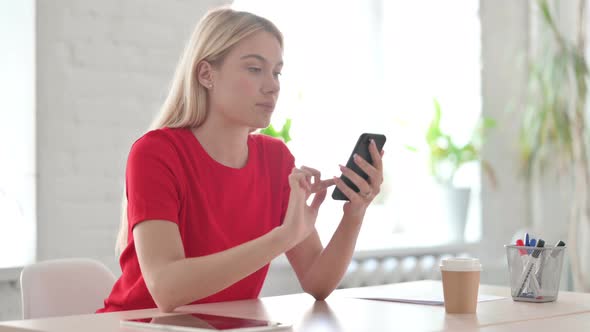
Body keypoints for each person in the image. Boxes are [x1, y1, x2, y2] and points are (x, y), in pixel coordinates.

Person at [97, 6, 384, 313]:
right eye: (254, 69)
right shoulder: (156, 154)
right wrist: (282, 238)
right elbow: (167, 289)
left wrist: (354, 214)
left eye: (276, 72)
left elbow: (318, 281)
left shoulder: (275, 160)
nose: (272, 85)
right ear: (206, 74)